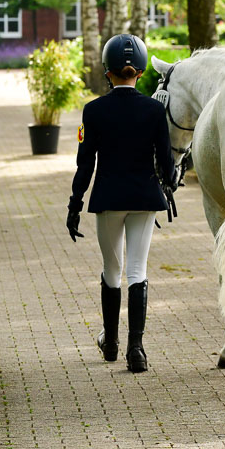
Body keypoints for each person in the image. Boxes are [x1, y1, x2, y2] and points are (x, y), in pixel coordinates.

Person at [66, 33, 177, 373]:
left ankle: (112, 344)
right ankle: (137, 351)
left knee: (112, 271)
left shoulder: (94, 110)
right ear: (140, 72)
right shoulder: (156, 109)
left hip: (109, 198)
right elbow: (167, 162)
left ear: (107, 71)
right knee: (137, 272)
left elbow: (85, 164)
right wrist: (169, 184)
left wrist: (74, 204)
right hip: (145, 199)